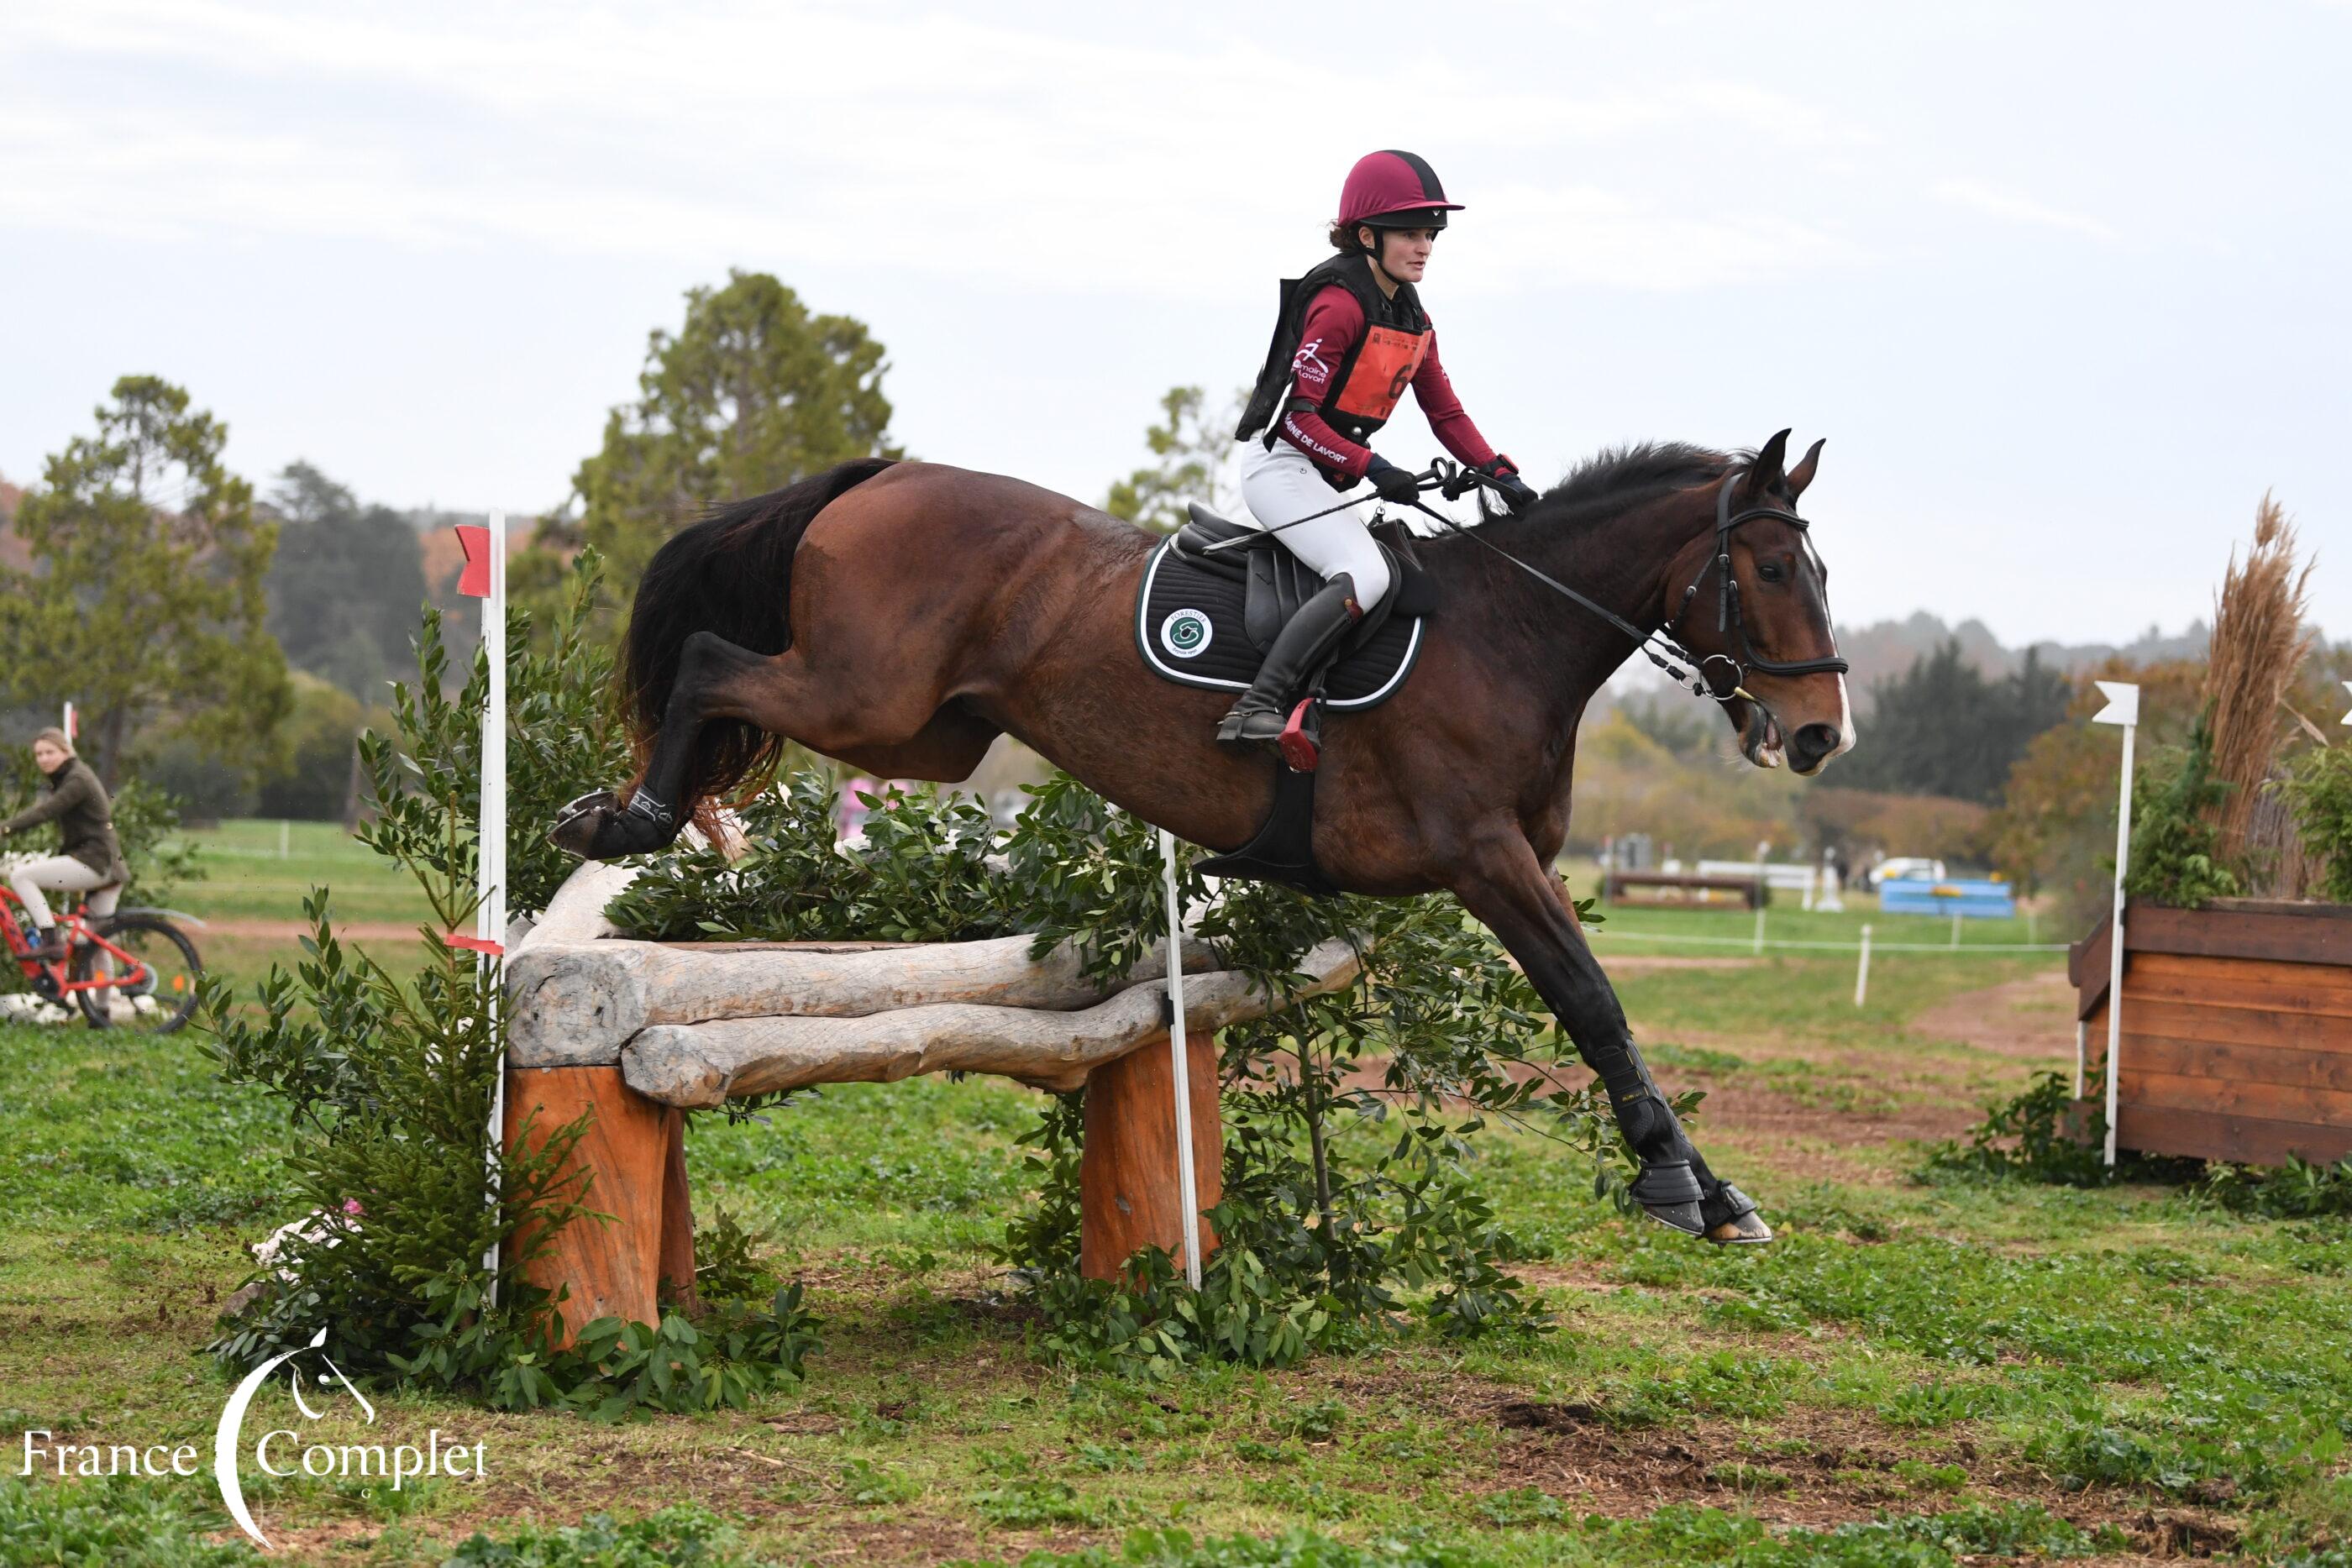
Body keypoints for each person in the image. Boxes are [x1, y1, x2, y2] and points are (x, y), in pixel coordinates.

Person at [1221, 149, 1541, 748]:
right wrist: (1375, 466)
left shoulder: (1414, 319)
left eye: (1430, 235)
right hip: (1281, 467)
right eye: (1410, 234)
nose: (1424, 248)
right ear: (1367, 236)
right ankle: (1256, 705)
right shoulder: (1339, 305)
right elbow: (1294, 422)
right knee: (1366, 575)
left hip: (1327, 477)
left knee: (1402, 572)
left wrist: (1497, 472)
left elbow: (1445, 412)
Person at [1, 728, 127, 962]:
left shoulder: (77, 779)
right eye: (39, 754)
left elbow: (47, 811)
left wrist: (5, 828)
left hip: (94, 862)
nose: (44, 759)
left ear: (66, 751)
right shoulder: (70, 776)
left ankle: (50, 939)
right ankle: (105, 989)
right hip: (107, 865)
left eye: (50, 752)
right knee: (96, 944)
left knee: (21, 876)